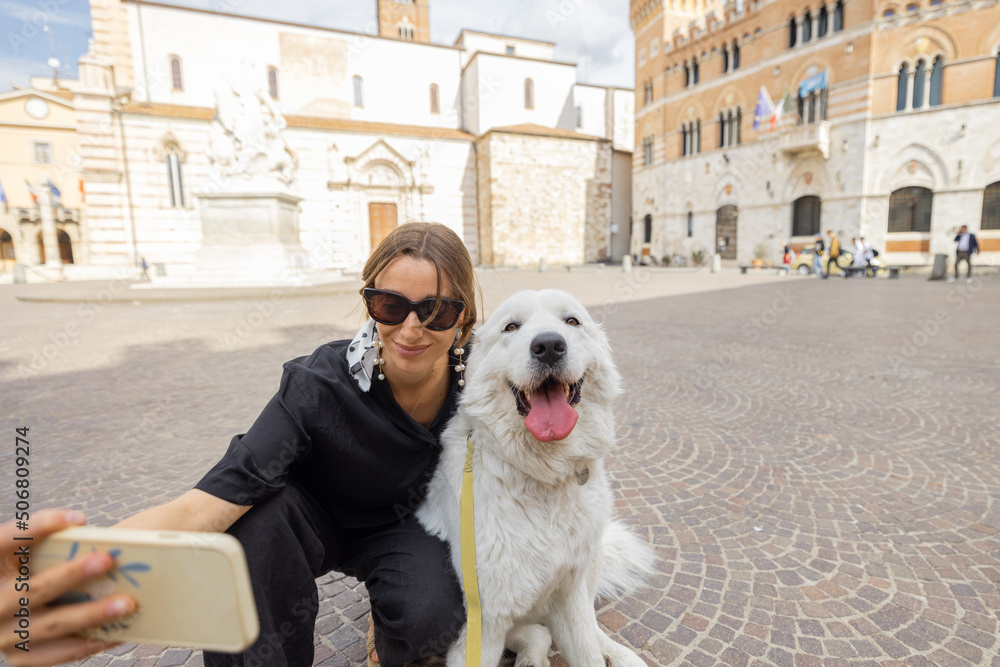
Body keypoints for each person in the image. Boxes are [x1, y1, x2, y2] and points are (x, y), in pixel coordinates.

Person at [2, 222, 479, 667]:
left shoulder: (488, 380)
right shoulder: (317, 385)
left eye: (436, 310)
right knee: (246, 529)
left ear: (464, 316)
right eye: (391, 306)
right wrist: (76, 575)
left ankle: (390, 626)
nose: (412, 328)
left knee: (429, 621)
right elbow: (200, 508)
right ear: (369, 302)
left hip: (409, 527)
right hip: (307, 522)